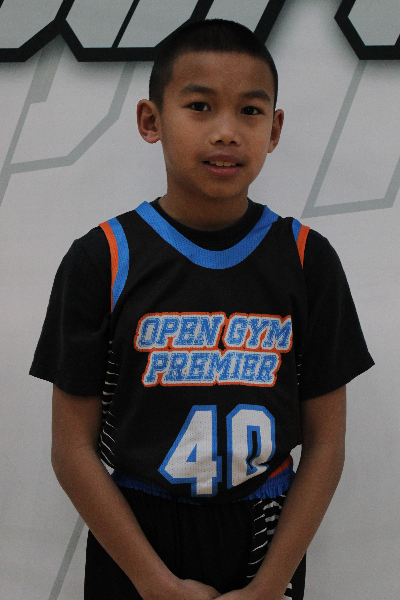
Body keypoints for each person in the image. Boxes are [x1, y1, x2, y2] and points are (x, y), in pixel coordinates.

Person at [30, 19, 374, 600]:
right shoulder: (102, 259)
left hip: (265, 534)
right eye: (199, 107)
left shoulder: (306, 259)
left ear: (274, 129)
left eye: (250, 111)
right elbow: (71, 451)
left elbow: (326, 447)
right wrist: (152, 581)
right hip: (136, 533)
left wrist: (270, 584)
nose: (226, 132)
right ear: (151, 120)